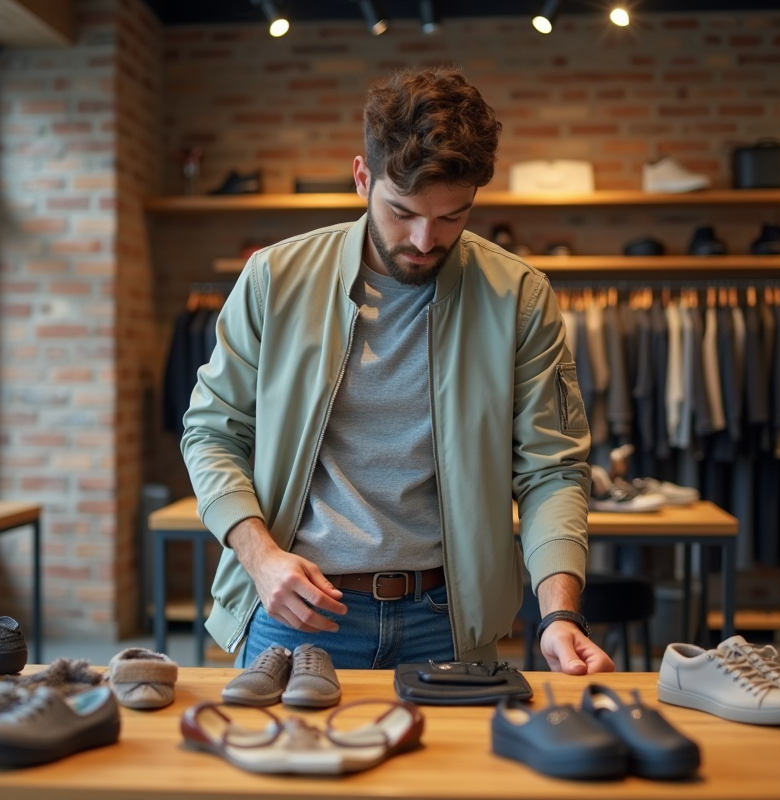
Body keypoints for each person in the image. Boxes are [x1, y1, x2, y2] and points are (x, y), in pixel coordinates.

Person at [180, 67, 613, 675]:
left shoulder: (518, 297)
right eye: (402, 212)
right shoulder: (274, 281)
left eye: (452, 217)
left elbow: (552, 469)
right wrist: (259, 556)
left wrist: (559, 613)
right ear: (363, 177)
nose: (424, 239)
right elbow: (210, 433)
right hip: (297, 607)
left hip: (448, 619)